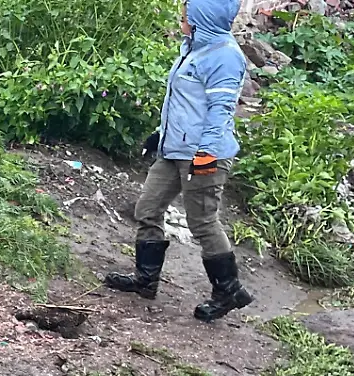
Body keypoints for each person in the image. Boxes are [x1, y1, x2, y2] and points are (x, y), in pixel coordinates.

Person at [105, 0, 253, 322]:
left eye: (185, 15)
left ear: (203, 18)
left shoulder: (225, 56)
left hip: (202, 153)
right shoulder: (192, 47)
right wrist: (160, 133)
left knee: (201, 222)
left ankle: (228, 290)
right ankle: (146, 280)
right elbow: (181, 102)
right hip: (173, 150)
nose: (180, 18)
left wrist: (207, 156)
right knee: (147, 208)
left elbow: (220, 111)